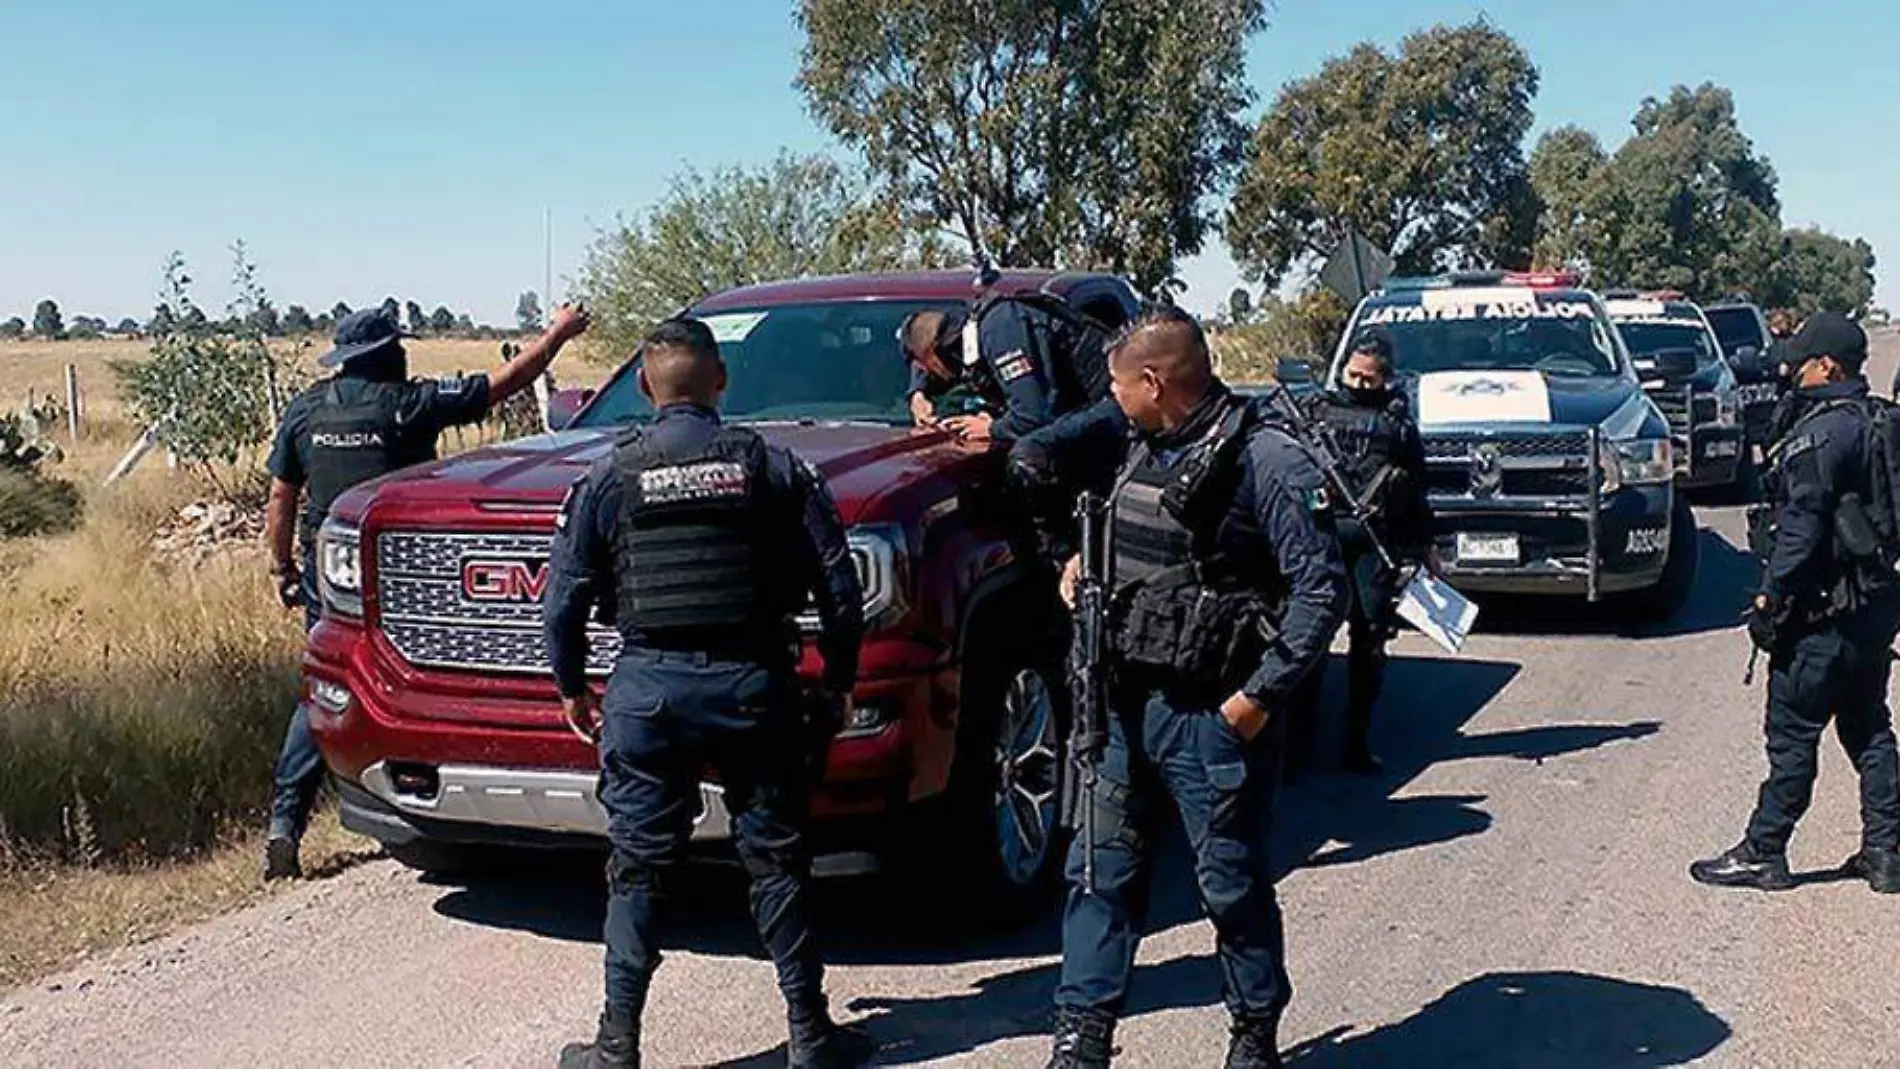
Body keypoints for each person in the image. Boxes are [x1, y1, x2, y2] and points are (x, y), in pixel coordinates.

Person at [541, 317, 873, 1069]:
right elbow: (841, 590)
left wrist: (570, 687)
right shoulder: (776, 469)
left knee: (638, 867)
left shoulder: (606, 476)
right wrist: (842, 678)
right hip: (754, 686)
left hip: (648, 692)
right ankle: (811, 1036)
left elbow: (562, 599)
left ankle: (617, 1045)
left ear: (646, 389)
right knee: (777, 861)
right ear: (720, 381)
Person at [1044, 304, 1349, 1068]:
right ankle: (1081, 1038)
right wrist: (1076, 569)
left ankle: (1253, 1028)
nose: (1111, 400)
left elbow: (1320, 591)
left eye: (1120, 386)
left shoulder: (1265, 460)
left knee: (1230, 885)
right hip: (1117, 702)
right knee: (1098, 873)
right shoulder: (1129, 446)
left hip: (1209, 711)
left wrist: (1257, 700)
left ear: (1154, 381)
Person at [261, 302, 590, 880]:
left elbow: (281, 496)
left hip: (333, 570)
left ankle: (285, 822)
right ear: (388, 354)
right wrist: (558, 333)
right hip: (409, 575)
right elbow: (504, 384)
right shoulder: (410, 404)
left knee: (325, 688)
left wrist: (280, 565)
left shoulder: (306, 409)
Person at [1691, 312, 1900, 895]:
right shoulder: (1885, 422)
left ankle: (1765, 850)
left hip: (1820, 612)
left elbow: (1802, 529)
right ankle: (1886, 852)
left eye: (1802, 362)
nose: (1793, 371)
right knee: (1870, 728)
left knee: (1793, 734)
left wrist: (1771, 596)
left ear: (1829, 366)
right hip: (1876, 608)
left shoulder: (1822, 434)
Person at [1286, 330, 1433, 776]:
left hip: (1374, 544)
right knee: (1309, 642)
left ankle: (1355, 743)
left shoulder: (1398, 425)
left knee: (1367, 645)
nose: (1359, 385)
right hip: (1322, 539)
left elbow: (1416, 488)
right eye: (1353, 375)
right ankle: (1297, 747)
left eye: (1369, 379)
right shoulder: (1314, 413)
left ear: (1385, 379)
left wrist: (1425, 548)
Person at [898, 291, 1110, 449]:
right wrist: (918, 394)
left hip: (1108, 416)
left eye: (927, 368)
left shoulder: (1001, 331)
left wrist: (991, 429)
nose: (933, 376)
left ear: (933, 355)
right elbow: (923, 346)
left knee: (1028, 456)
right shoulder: (964, 337)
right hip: (1085, 416)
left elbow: (1032, 416)